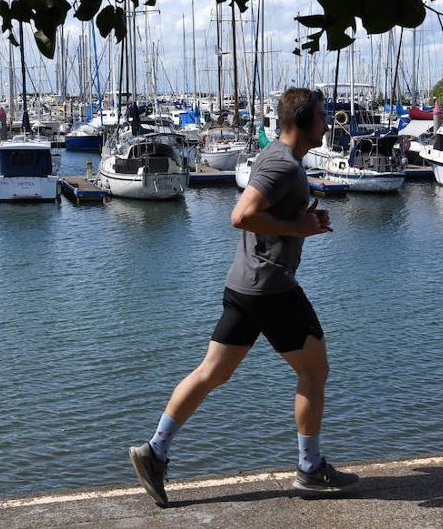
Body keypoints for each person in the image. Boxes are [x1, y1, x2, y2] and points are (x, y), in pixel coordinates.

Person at [128, 87, 358, 507]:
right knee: (315, 370)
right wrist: (299, 228)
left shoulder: (276, 158)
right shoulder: (284, 166)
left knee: (213, 372)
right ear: (304, 122)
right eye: (324, 116)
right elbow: (242, 215)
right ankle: (309, 469)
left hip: (244, 285)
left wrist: (301, 220)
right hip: (271, 288)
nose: (328, 124)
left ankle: (154, 450)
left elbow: (265, 215)